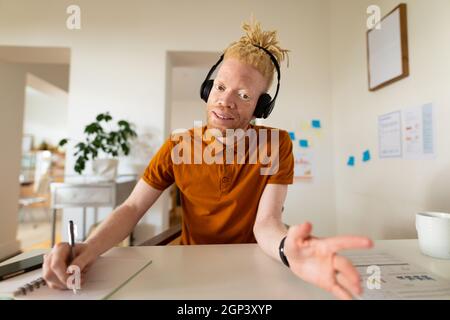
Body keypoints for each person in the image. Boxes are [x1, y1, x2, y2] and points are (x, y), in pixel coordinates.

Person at [43, 18, 372, 300]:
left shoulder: (276, 144)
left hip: (253, 264)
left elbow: (267, 223)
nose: (225, 101)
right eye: (219, 87)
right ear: (207, 89)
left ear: (260, 107)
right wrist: (88, 249)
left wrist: (287, 250)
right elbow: (131, 209)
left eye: (244, 95)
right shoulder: (177, 146)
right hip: (189, 265)